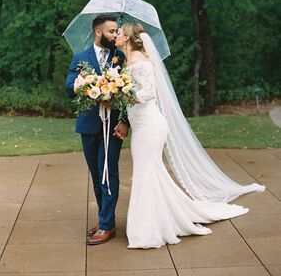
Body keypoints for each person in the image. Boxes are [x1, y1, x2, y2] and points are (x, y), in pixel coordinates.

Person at [115, 23, 265, 249]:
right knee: (149, 171)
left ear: (127, 37)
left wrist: (121, 92)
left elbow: (147, 93)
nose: (115, 35)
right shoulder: (128, 61)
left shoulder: (140, 62)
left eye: (119, 32)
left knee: (146, 172)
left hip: (150, 125)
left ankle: (147, 229)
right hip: (141, 125)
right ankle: (159, 219)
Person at [66, 15, 129, 245]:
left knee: (108, 172)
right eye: (112, 31)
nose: (115, 35)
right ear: (98, 33)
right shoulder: (80, 58)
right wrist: (83, 82)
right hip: (89, 125)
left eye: (116, 31)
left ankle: (105, 226)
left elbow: (128, 93)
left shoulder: (120, 57)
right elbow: (69, 89)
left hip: (113, 126)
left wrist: (125, 121)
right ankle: (107, 220)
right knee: (96, 174)